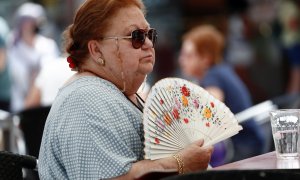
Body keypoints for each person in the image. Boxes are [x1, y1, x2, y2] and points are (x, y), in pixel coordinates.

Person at [38, 0, 214, 179]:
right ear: (97, 51)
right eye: (136, 36)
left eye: (149, 34)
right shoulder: (85, 99)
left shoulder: (110, 91)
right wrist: (180, 163)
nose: (148, 44)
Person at [178, 25, 265, 165]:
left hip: (242, 146)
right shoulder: (221, 70)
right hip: (251, 141)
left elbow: (209, 111)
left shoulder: (213, 76)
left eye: (188, 55)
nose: (181, 60)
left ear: (205, 58)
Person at [7, 2, 60, 112]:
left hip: (46, 104)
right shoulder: (12, 47)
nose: (27, 25)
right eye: (25, 20)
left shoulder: (48, 46)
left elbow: (51, 74)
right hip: (20, 106)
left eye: (31, 21)